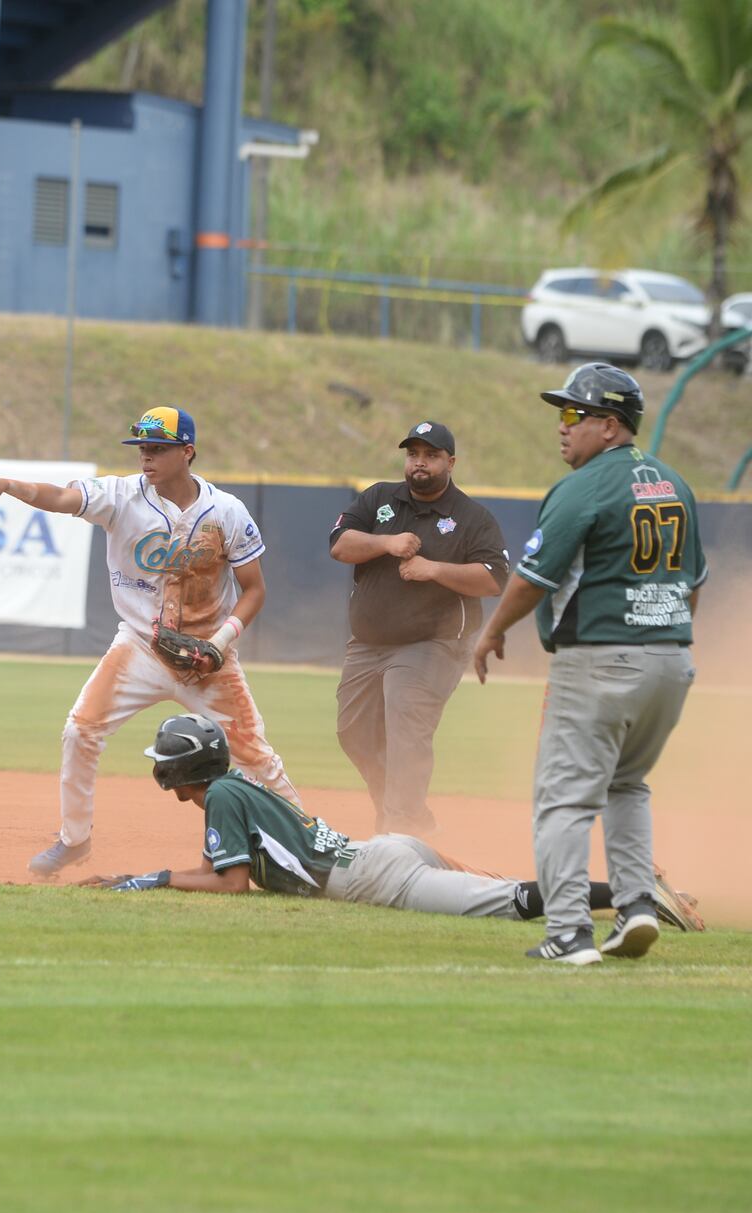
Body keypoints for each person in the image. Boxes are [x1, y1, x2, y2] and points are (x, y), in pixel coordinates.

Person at [0, 405, 299, 878]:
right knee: (80, 730)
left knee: (256, 757)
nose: (147, 456)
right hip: (141, 647)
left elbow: (255, 589)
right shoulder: (120, 496)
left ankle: (305, 838)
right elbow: (62, 497)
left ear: (187, 451)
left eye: (158, 448)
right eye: (143, 447)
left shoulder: (226, 511)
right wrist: (10, 486)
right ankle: (74, 841)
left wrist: (223, 642)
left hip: (208, 656)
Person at [473, 363, 707, 965]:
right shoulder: (674, 483)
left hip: (601, 659)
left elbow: (532, 579)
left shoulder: (583, 488)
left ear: (610, 425)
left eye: (574, 414)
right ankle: (634, 908)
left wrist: (492, 631)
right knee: (628, 784)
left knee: (563, 798)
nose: (562, 425)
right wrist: (665, 637)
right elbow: (694, 583)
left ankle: (570, 932)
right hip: (672, 661)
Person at [79, 714, 704, 937]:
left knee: (510, 902)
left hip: (374, 877)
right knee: (497, 885)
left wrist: (150, 879)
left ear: (182, 769)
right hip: (381, 851)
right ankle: (637, 885)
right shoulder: (237, 783)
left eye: (166, 763)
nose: (162, 773)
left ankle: (637, 894)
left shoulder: (220, 798)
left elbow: (232, 884)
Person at [329, 422, 509, 836]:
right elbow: (340, 544)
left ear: (450, 461)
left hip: (433, 642)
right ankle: (404, 813)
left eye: (430, 455)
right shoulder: (379, 498)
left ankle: (402, 829)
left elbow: (495, 578)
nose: (420, 463)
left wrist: (434, 570)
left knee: (405, 725)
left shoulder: (472, 518)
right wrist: (386, 543)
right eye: (413, 454)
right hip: (368, 643)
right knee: (352, 732)